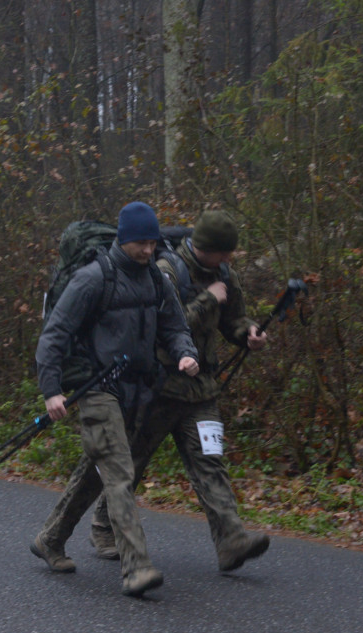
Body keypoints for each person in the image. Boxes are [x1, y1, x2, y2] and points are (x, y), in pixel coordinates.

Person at [49, 209, 271, 574]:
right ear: (205, 247)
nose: (229, 260)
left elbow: (234, 320)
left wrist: (248, 333)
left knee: (209, 461)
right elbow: (164, 324)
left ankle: (231, 540)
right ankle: (94, 530)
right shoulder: (167, 268)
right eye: (224, 253)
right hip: (154, 389)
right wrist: (208, 300)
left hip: (200, 390)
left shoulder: (225, 274)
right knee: (123, 467)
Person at [31, 201, 199, 598]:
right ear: (124, 240)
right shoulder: (93, 279)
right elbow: (54, 336)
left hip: (137, 388)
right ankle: (136, 567)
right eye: (140, 243)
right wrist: (52, 389)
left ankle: (50, 538)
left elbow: (174, 325)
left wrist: (184, 352)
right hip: (96, 387)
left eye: (152, 242)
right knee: (120, 473)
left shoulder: (157, 280)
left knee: (97, 469)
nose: (147, 250)